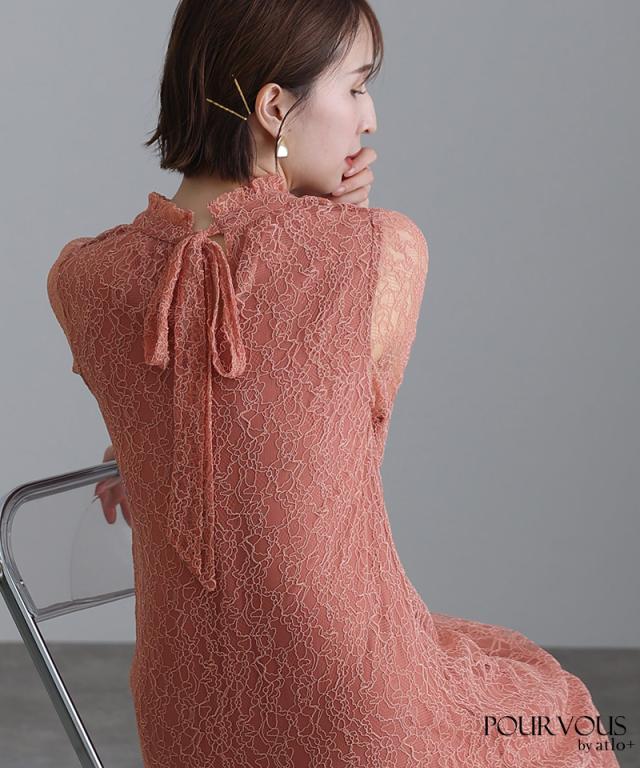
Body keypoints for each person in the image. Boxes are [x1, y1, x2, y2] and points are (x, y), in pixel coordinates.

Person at [47, 1, 621, 766]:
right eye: (354, 87)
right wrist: (333, 226)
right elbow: (330, 483)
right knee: (558, 714)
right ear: (274, 108)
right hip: (358, 713)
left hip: (181, 717)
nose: (369, 117)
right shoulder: (384, 252)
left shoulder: (82, 281)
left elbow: (212, 432)